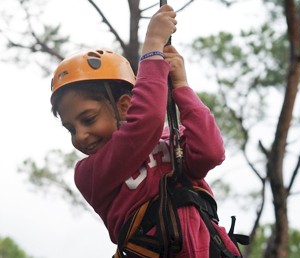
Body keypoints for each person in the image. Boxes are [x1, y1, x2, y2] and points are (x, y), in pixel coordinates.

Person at [50, 4, 242, 258]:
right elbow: (146, 124)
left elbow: (211, 152)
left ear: (125, 106)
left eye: (88, 119)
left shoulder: (169, 139)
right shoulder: (91, 174)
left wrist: (182, 88)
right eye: (70, 129)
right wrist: (152, 45)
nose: (80, 136)